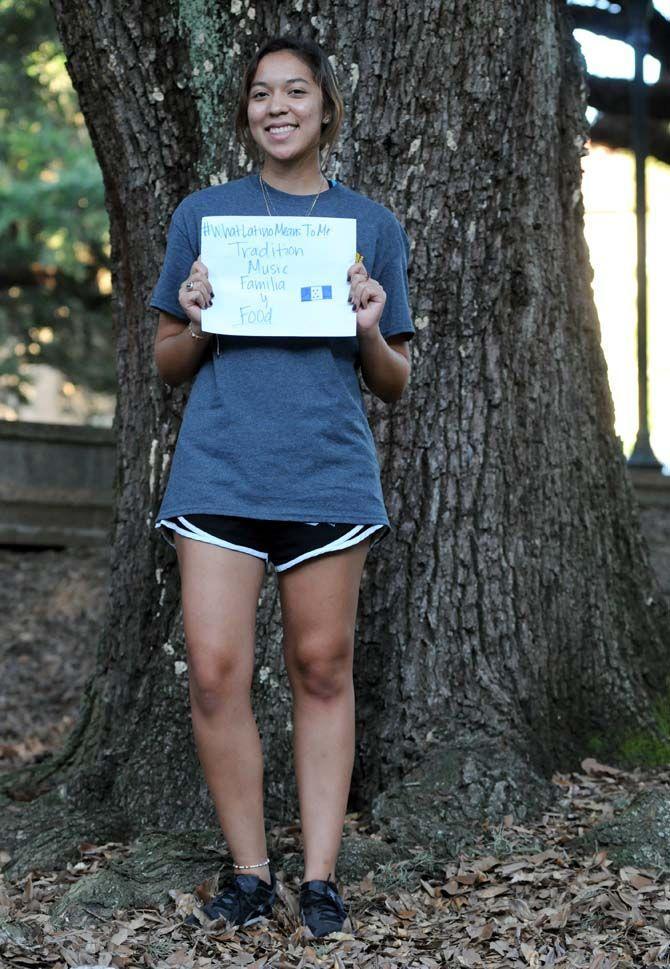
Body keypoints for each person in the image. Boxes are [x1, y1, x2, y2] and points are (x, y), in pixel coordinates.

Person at [149, 34, 414, 939]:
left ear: (324, 108)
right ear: (246, 114)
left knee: (321, 668)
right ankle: (252, 872)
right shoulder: (206, 217)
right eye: (261, 93)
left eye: (296, 91)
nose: (278, 106)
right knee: (218, 675)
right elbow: (167, 362)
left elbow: (393, 380)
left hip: (328, 475)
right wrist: (193, 317)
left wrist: (371, 326)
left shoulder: (368, 226)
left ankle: (323, 878)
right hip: (220, 470)